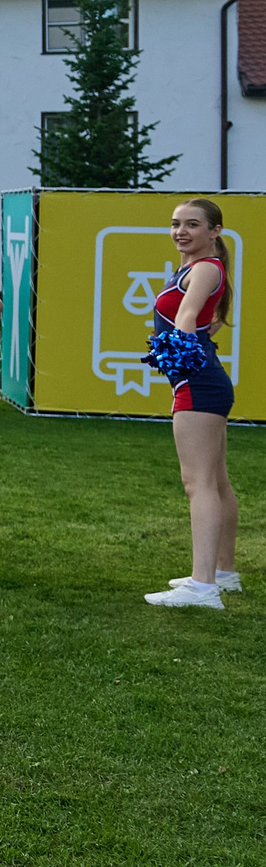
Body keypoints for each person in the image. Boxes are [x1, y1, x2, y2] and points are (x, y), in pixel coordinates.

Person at [147, 197, 242, 608]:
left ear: (215, 232)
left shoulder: (204, 268)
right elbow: (209, 321)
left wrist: (176, 359)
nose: (180, 231)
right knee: (216, 482)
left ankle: (203, 587)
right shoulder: (196, 268)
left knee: (198, 484)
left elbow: (187, 318)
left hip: (198, 385)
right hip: (203, 381)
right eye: (175, 224)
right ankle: (224, 573)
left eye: (192, 224)